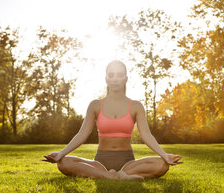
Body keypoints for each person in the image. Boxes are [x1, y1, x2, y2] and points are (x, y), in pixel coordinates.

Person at [42, 60, 183, 180]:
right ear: (106, 79)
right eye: (111, 75)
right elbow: (82, 134)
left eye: (120, 75)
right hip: (100, 162)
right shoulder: (95, 105)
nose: (115, 79)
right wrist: (61, 153)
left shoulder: (136, 106)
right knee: (63, 163)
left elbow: (146, 135)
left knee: (162, 165)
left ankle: (118, 174)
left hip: (128, 162)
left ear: (126, 79)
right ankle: (113, 176)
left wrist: (164, 155)